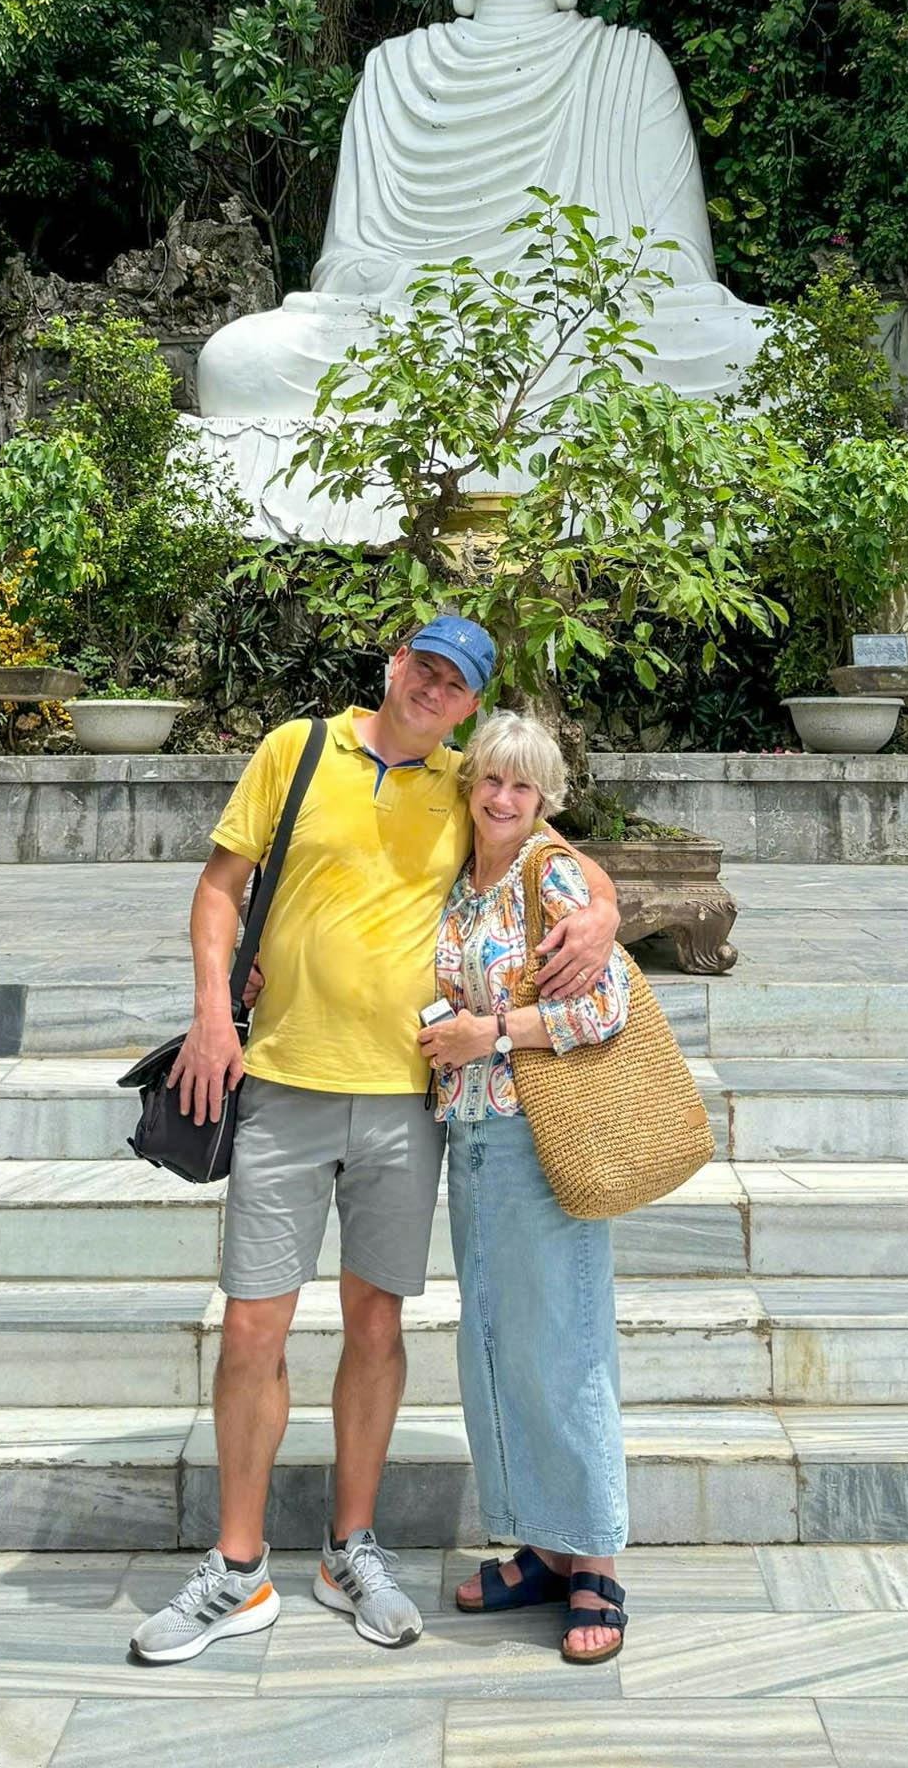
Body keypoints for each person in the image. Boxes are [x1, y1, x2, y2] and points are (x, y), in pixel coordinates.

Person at [129, 616, 620, 1667]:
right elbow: (219, 887)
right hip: (284, 1082)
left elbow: (546, 845)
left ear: (470, 707)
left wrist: (607, 910)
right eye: (425, 668)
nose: (435, 690)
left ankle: (350, 1546)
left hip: (407, 1097)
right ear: (395, 665)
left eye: (457, 685)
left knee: (376, 1327)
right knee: (254, 1326)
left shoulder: (461, 781)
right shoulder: (297, 748)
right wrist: (214, 1012)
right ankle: (237, 1563)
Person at [416, 709, 632, 1666]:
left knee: (566, 1341)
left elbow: (603, 1004)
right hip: (468, 1134)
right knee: (496, 1343)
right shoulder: (458, 877)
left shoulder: (553, 874)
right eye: (491, 781)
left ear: (545, 798)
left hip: (540, 1134)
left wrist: (491, 1031)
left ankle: (597, 1559)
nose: (503, 800)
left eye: (523, 786)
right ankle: (541, 1543)